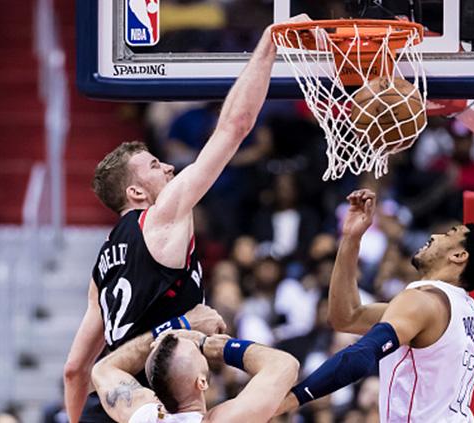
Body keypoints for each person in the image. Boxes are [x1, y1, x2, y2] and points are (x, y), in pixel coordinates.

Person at [63, 15, 312, 422]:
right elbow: (234, 127)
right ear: (136, 193)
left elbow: (75, 370)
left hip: (111, 404)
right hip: (159, 398)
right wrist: (268, 46)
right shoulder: (161, 217)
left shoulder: (100, 269)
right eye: (155, 165)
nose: (170, 170)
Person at [277, 189, 474, 422]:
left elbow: (362, 354)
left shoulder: (422, 300)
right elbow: (346, 317)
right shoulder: (462, 309)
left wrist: (293, 399)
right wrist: (351, 240)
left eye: (449, 234)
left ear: (458, 256)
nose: (435, 235)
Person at [90, 328, 299, 423]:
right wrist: (212, 345)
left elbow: (102, 369)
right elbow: (285, 364)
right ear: (201, 383)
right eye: (198, 352)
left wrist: (160, 334)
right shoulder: (225, 419)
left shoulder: (140, 413)